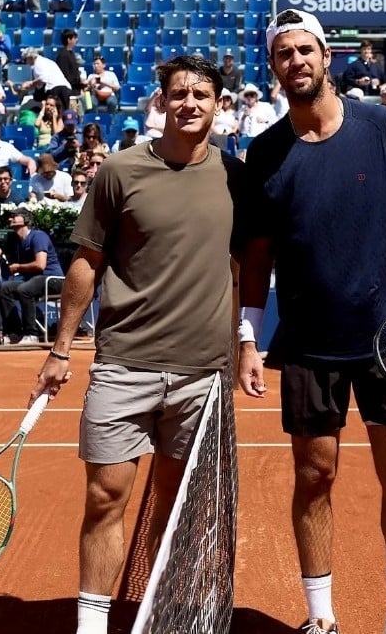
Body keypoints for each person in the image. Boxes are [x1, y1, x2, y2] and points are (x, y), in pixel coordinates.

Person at [235, 9, 386, 634]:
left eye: (305, 50)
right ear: (274, 66)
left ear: (327, 56)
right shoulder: (264, 153)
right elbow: (256, 256)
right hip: (309, 341)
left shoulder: (380, 126)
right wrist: (248, 337)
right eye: (284, 54)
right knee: (315, 476)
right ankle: (320, 619)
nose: (296, 62)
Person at [28, 55, 246, 634]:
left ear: (219, 106)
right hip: (124, 365)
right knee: (106, 496)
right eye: (179, 94)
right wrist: (61, 348)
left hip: (202, 375)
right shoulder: (119, 171)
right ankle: (93, 625)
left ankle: (163, 614)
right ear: (161, 102)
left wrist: (243, 343)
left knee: (176, 512)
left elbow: (243, 266)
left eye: (202, 94)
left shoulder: (236, 177)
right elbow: (86, 262)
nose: (190, 103)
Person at [0, 208, 64, 344]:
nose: (10, 219)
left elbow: (40, 265)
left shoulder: (38, 236)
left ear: (26, 220)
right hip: (34, 281)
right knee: (5, 289)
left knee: (25, 289)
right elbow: (3, 253)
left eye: (15, 216)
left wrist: (19, 267)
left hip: (54, 280)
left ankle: (31, 334)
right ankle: (14, 333)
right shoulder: (16, 241)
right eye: (10, 217)